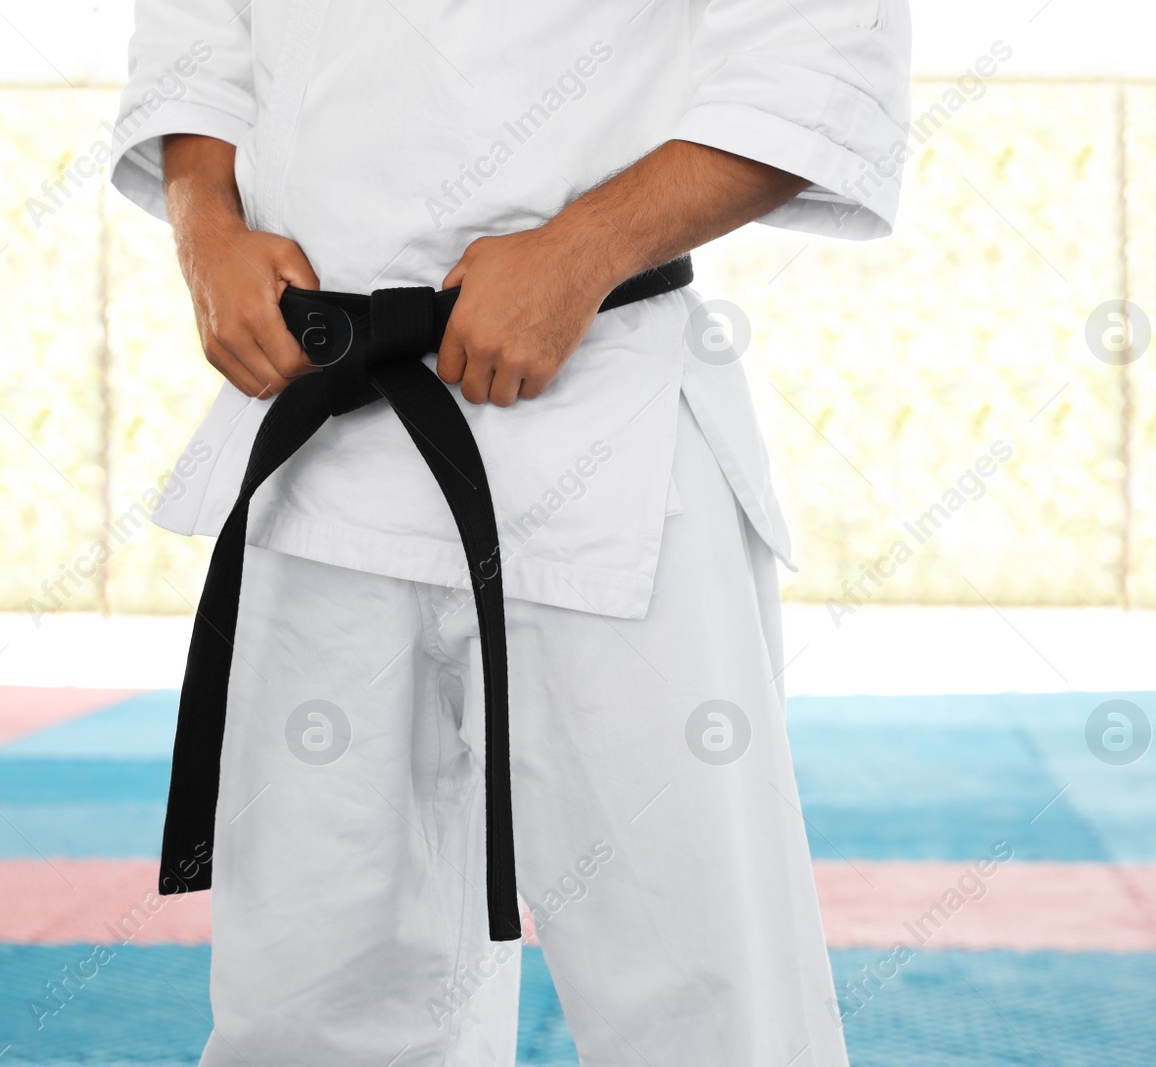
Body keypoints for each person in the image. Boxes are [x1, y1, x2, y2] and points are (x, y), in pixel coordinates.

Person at [107, 2, 909, 1064]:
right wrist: (204, 223)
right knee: (301, 997)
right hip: (322, 446)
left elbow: (815, 50)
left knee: (701, 991)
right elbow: (200, 33)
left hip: (601, 438)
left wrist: (586, 248)